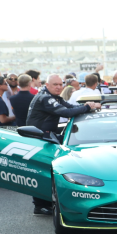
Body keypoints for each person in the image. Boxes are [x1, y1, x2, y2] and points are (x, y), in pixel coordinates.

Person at [25, 75, 101, 214]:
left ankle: (44, 203)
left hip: (45, 137)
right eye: (55, 84)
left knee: (46, 171)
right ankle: (40, 205)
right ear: (47, 85)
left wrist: (88, 107)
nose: (59, 87)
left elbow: (71, 107)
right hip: (39, 139)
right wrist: (87, 107)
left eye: (61, 84)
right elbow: (66, 112)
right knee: (42, 171)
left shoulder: (53, 97)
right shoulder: (45, 98)